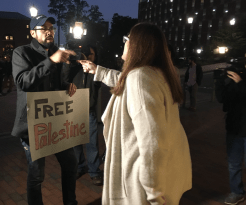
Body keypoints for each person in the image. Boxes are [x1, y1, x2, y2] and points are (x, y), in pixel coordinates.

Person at [79, 22, 192, 205]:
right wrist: (96, 70)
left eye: (127, 39)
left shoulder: (140, 77)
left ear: (137, 45)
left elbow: (152, 139)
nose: (124, 43)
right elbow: (124, 82)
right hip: (163, 170)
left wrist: (153, 190)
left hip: (140, 183)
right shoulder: (155, 73)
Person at [11, 14, 78, 205]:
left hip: (55, 120)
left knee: (70, 163)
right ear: (33, 33)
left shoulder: (57, 52)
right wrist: (51, 61)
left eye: (51, 28)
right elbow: (24, 82)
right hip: (33, 124)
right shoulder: (21, 52)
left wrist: (67, 85)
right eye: (44, 28)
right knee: (36, 175)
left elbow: (57, 83)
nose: (49, 31)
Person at [70, 45, 103, 186]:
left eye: (92, 54)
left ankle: (94, 171)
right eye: (87, 54)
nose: (89, 57)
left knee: (92, 144)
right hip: (74, 110)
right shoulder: (73, 69)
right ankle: (80, 166)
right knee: (75, 142)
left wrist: (92, 70)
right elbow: (64, 77)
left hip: (89, 111)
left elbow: (97, 85)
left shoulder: (96, 71)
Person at [215, 60, 246, 205]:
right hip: (233, 129)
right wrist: (220, 81)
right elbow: (222, 99)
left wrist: (240, 83)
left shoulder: (240, 82)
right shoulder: (232, 84)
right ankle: (237, 192)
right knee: (233, 164)